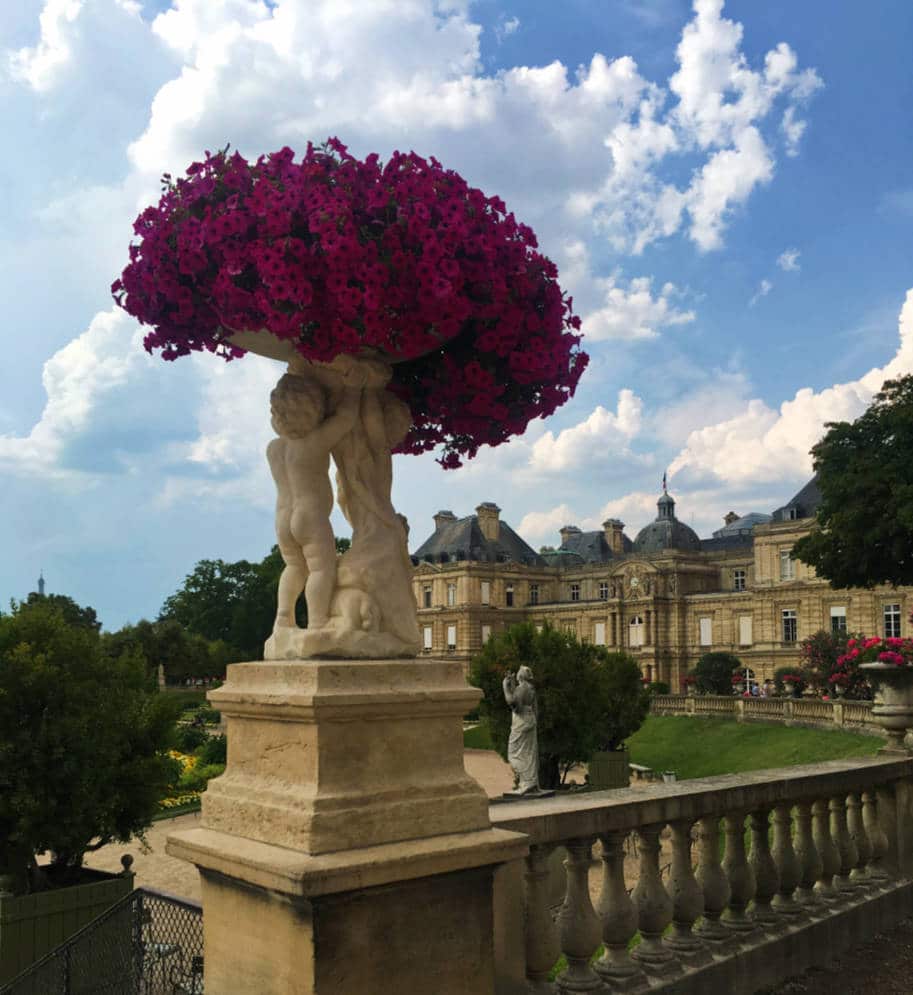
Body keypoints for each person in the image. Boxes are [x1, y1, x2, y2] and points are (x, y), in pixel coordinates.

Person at [268, 370, 364, 633]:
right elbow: (345, 419)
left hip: (282, 519)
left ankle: (283, 618)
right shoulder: (314, 441)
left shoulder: (274, 448)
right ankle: (317, 623)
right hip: (309, 516)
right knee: (322, 569)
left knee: (294, 567)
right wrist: (354, 388)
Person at [502, 666, 540, 794]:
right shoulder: (531, 688)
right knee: (529, 752)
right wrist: (512, 685)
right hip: (530, 720)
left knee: (513, 753)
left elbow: (514, 704)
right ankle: (532, 782)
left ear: (520, 676)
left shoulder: (522, 688)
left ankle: (526, 782)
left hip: (521, 721)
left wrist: (505, 687)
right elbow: (535, 708)